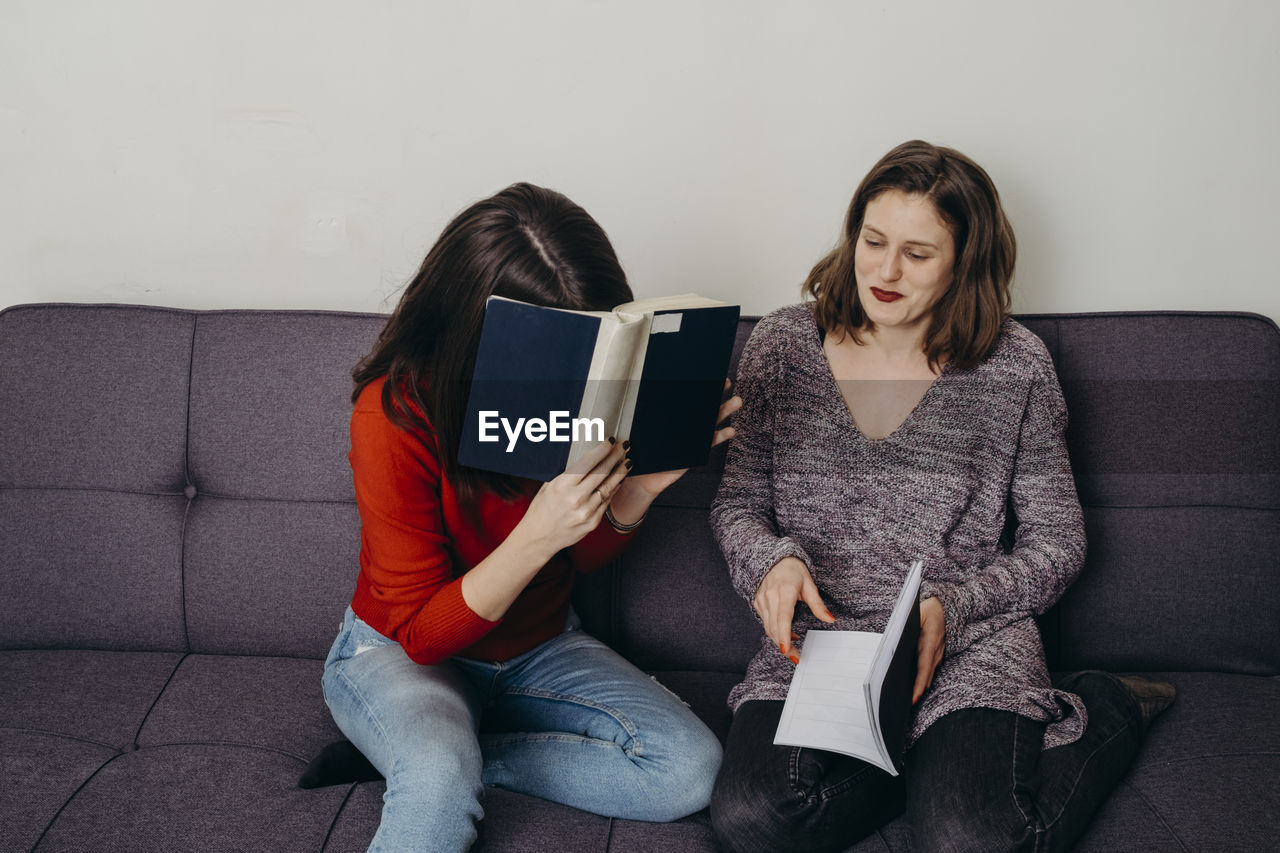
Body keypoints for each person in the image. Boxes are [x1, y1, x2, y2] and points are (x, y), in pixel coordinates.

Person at [707, 140, 1175, 853]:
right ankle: (919, 762)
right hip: (819, 651)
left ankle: (1110, 703)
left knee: (973, 839)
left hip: (967, 647)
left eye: (918, 254)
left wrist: (950, 611)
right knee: (754, 817)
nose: (885, 271)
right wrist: (770, 561)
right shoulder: (781, 346)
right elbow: (737, 503)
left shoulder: (1015, 366)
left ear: (965, 262)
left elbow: (1059, 541)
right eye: (873, 241)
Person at [313, 183, 732, 852]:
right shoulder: (390, 415)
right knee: (435, 784)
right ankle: (437, 762)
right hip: (402, 651)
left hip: (538, 643)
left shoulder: (582, 396)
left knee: (690, 769)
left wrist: (640, 490)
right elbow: (421, 635)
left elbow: (585, 555)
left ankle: (473, 757)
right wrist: (539, 531)